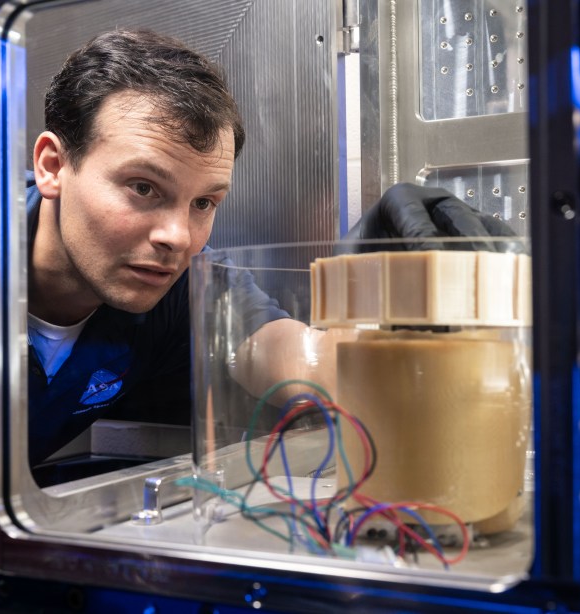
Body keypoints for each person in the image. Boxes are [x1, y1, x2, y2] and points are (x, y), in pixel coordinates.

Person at [26, 29, 518, 469]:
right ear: (53, 166)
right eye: (143, 188)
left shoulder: (183, 282)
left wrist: (390, 295)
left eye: (203, 202)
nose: (178, 236)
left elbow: (303, 361)